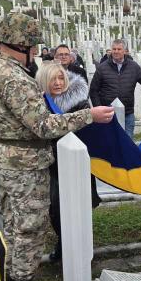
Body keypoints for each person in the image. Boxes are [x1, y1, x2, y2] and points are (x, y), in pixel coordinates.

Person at [0, 13, 115, 281]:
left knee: (13, 225)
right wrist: (89, 115)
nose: (37, 52)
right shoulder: (12, 77)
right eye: (33, 46)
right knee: (29, 227)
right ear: (20, 44)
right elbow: (43, 126)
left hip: (6, 157)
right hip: (25, 163)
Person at [36, 62, 102, 263]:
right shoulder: (38, 104)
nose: (57, 83)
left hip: (76, 163)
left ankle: (80, 254)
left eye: (61, 78)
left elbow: (89, 133)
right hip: (51, 164)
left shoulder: (80, 103)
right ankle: (64, 245)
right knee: (55, 210)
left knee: (78, 211)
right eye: (52, 79)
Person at [89, 39, 141, 138]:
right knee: (109, 144)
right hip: (108, 115)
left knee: (128, 144)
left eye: (119, 49)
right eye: (114, 49)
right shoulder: (102, 68)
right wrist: (99, 108)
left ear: (125, 51)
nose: (116, 51)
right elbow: (93, 90)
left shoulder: (133, 67)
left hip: (127, 114)